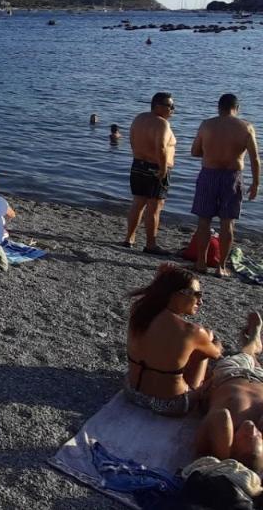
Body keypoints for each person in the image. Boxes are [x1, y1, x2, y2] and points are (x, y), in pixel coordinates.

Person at [124, 264, 221, 416]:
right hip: (171, 405)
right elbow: (216, 354)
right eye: (197, 294)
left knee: (186, 347)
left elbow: (154, 293)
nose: (200, 301)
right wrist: (209, 338)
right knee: (204, 352)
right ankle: (197, 389)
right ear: (178, 294)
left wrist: (161, 277)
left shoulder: (139, 312)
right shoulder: (191, 331)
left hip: (131, 392)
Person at [191, 94, 261, 278]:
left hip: (208, 174)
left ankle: (200, 263)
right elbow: (255, 158)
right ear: (236, 108)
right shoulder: (246, 127)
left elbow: (194, 151)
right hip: (232, 177)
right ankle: (220, 266)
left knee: (204, 221)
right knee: (227, 223)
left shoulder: (206, 125)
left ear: (218, 107)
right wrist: (256, 183)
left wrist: (211, 153)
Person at [194, 310, 263, 470]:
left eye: (247, 438)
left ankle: (253, 341)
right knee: (251, 358)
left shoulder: (222, 433)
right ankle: (254, 345)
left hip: (230, 374)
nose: (252, 428)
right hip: (260, 379)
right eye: (258, 436)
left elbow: (221, 416)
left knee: (245, 355)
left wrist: (224, 452)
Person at [126, 92, 177, 255]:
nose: (173, 109)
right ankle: (150, 244)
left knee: (138, 202)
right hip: (156, 167)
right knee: (155, 207)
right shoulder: (162, 124)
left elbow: (132, 139)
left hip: (138, 164)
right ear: (158, 106)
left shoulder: (139, 118)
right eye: (170, 106)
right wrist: (162, 168)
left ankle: (129, 238)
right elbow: (161, 147)